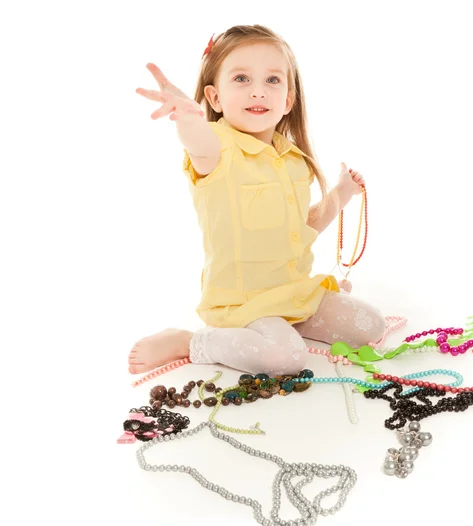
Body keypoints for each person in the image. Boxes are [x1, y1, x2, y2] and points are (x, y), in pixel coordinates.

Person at [129, 24, 386, 377]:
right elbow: (198, 143)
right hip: (243, 303)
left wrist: (340, 194)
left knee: (370, 325)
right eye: (241, 79)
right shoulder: (218, 147)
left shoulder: (292, 159)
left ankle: (287, 326)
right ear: (215, 98)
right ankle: (189, 342)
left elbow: (302, 227)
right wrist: (189, 118)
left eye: (272, 81)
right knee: (285, 361)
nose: (258, 93)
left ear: (288, 100)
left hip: (291, 292)